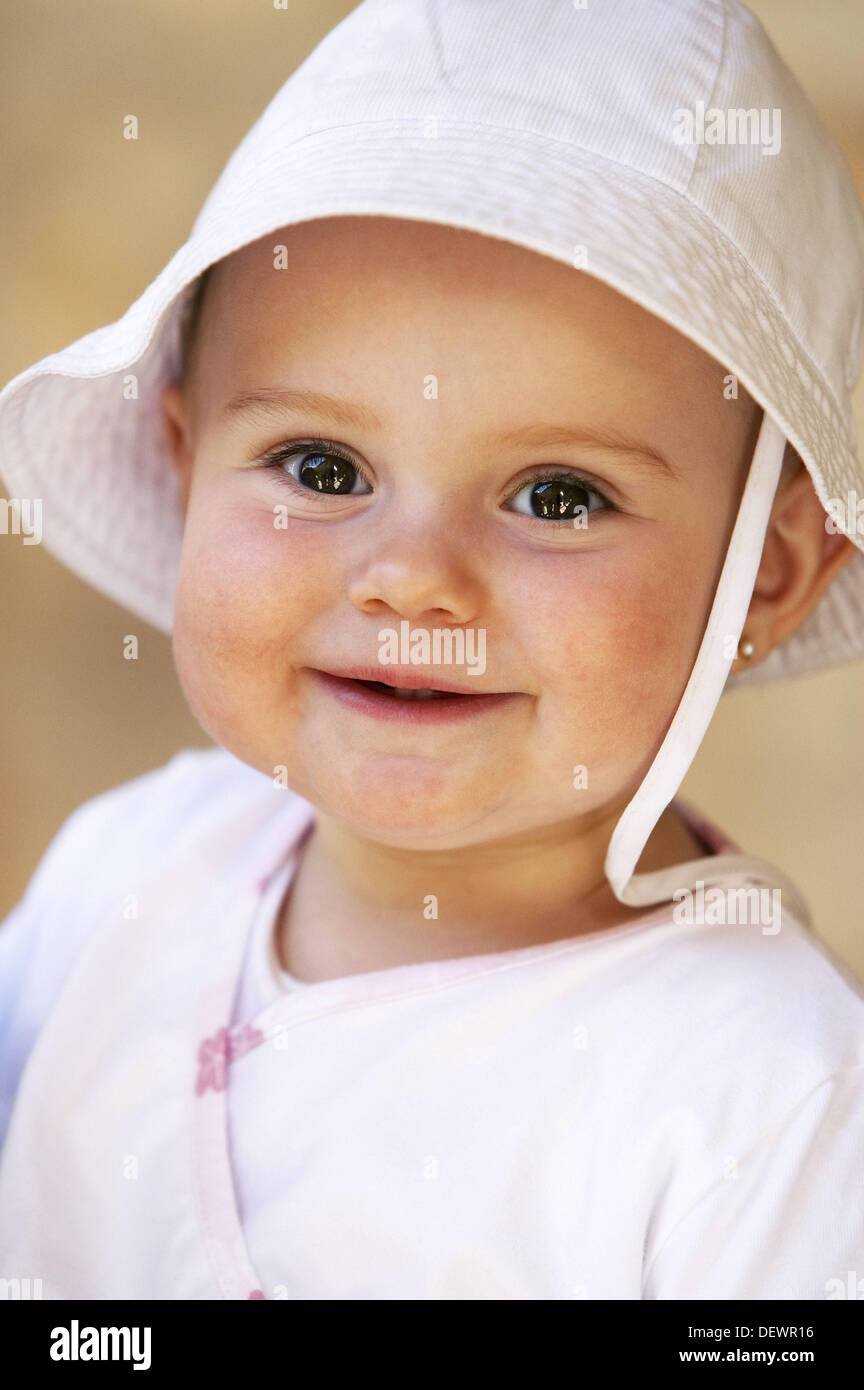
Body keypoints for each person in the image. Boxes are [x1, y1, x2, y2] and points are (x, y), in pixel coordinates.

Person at [1, 0, 863, 1300]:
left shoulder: (770, 1105)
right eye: (321, 465)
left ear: (773, 569)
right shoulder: (125, 874)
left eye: (558, 496)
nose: (410, 573)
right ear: (185, 471)